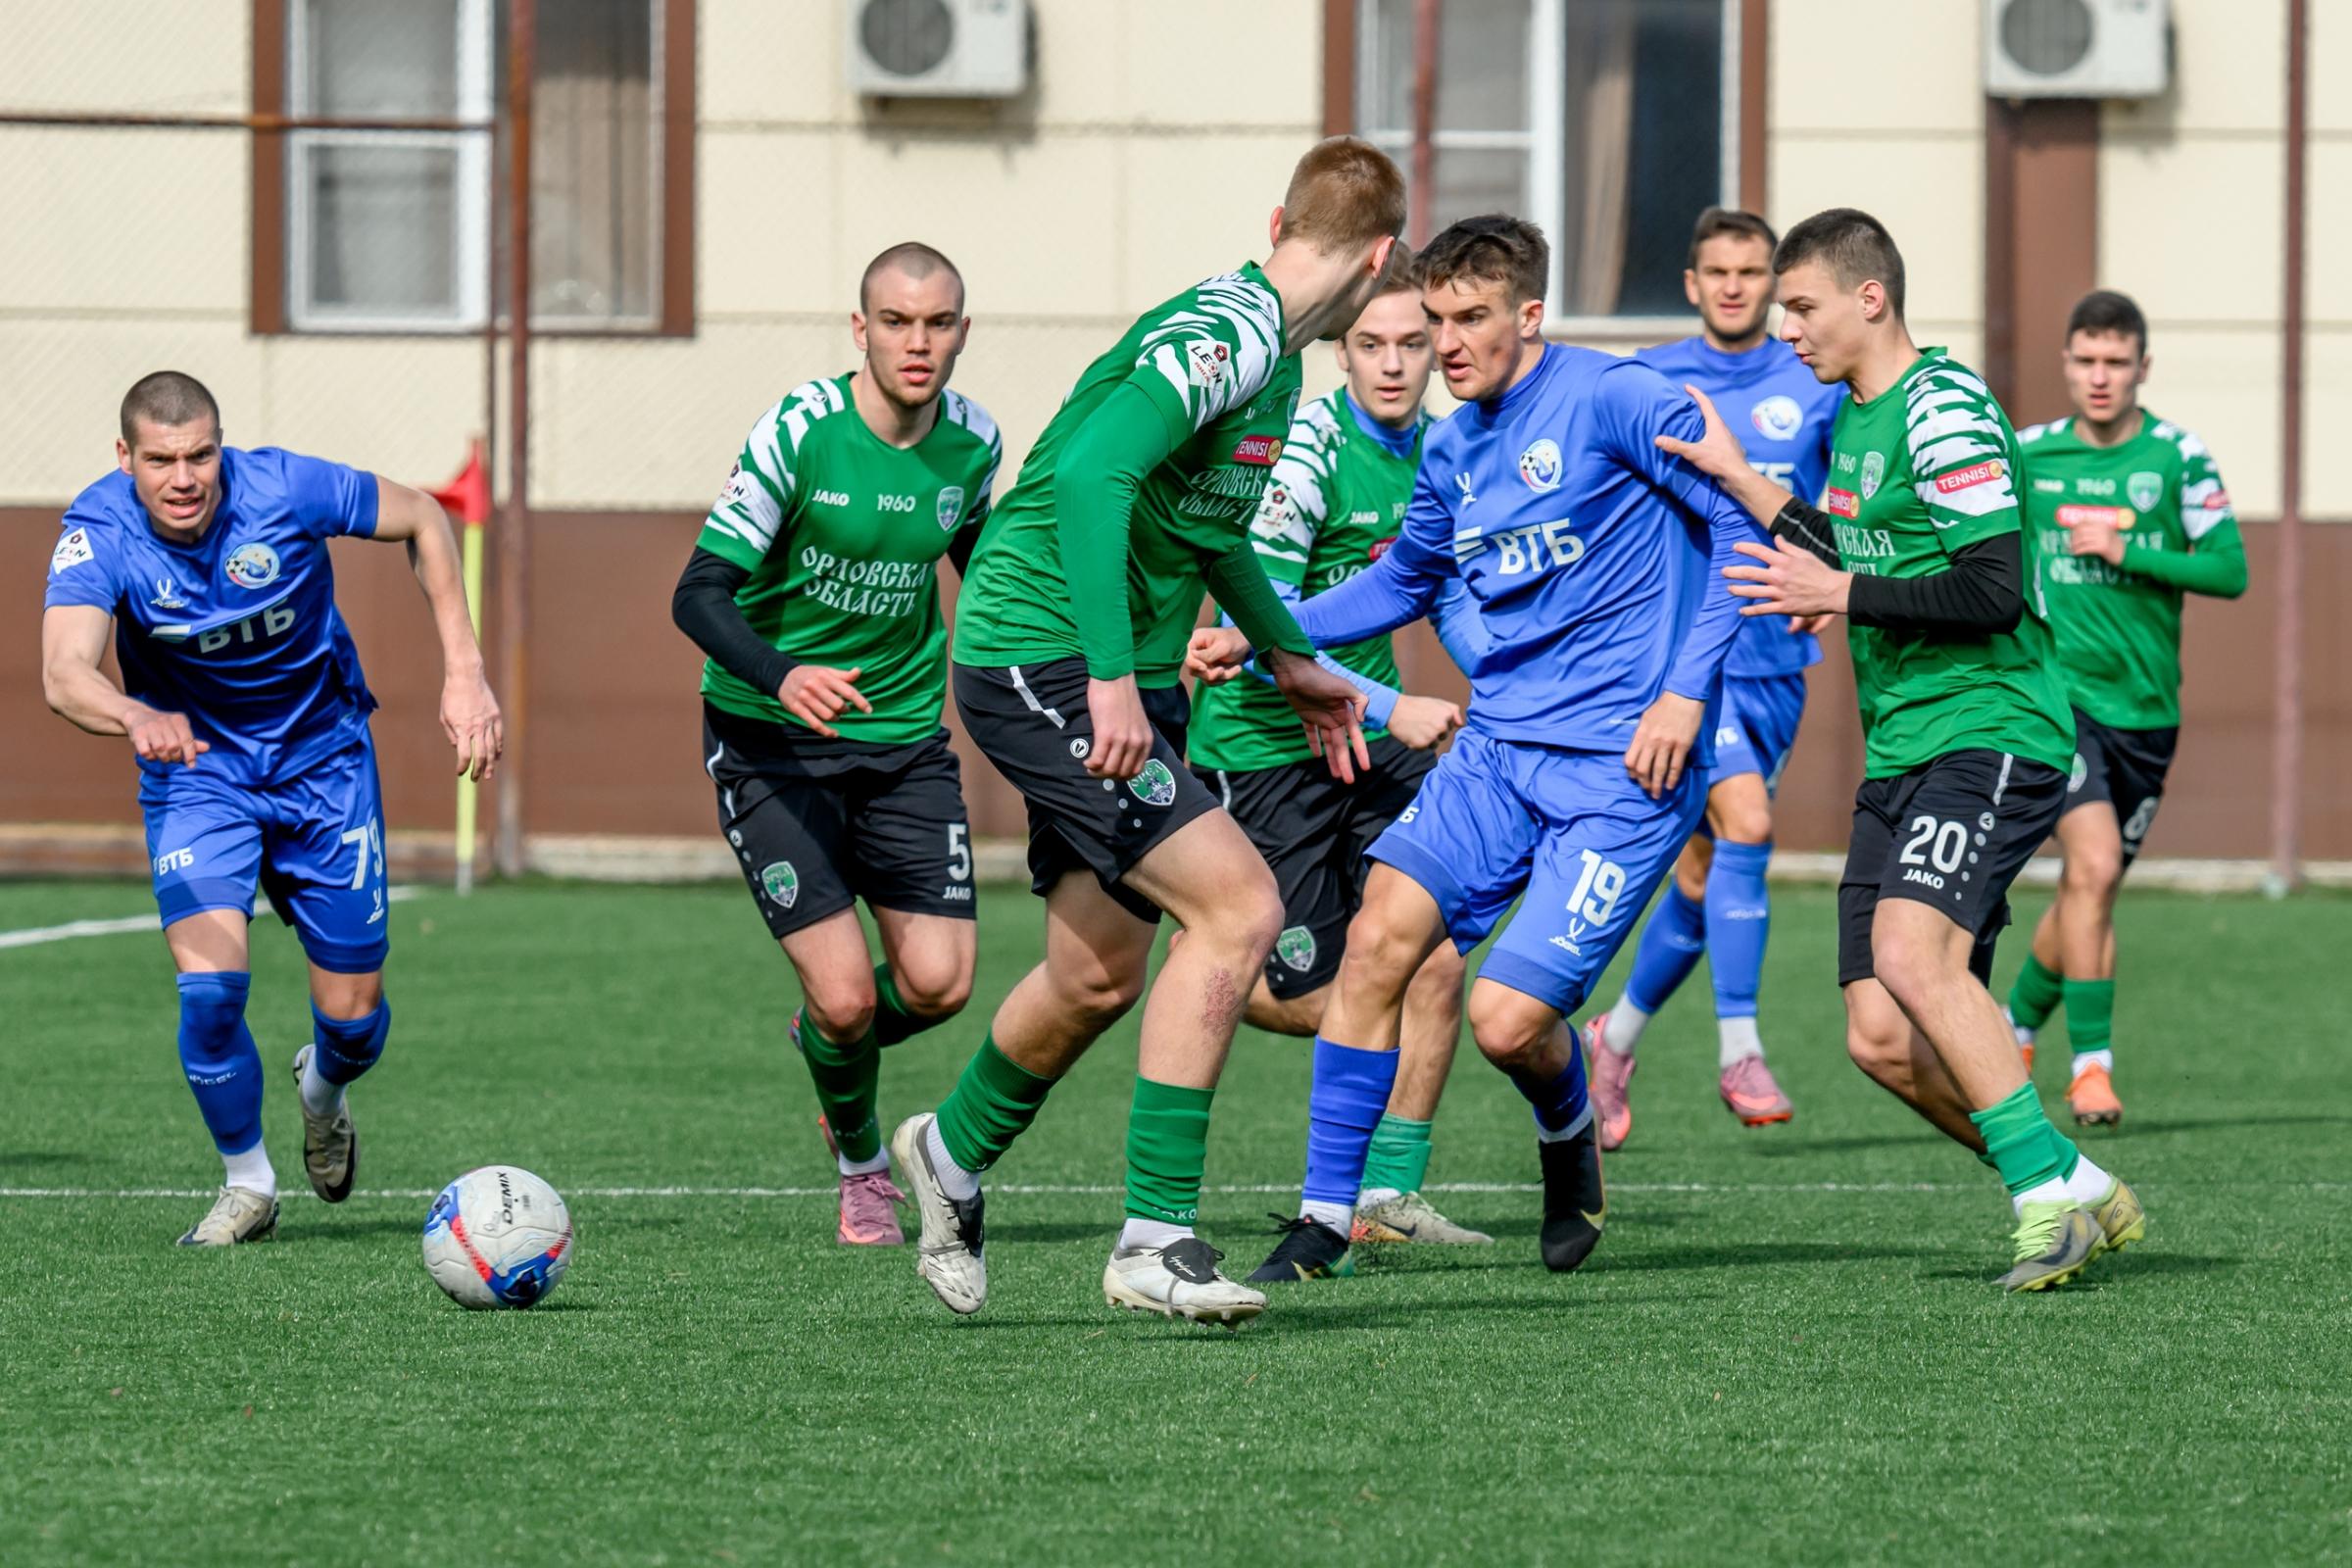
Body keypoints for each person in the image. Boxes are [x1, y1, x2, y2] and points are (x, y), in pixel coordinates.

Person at [1188, 214, 1760, 1286]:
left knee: (1505, 1022)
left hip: (1623, 772)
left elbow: (1746, 528)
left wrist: (1686, 695)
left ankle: (1567, 1121)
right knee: (1377, 944)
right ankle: (1325, 1220)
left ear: (1529, 314)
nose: (1445, 345)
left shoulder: (1619, 398)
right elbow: (1404, 581)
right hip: (1496, 754)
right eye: (1434, 320)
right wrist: (1271, 631)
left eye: (1469, 319)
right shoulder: (1451, 448)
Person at [886, 137, 1399, 1327]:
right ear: (1380, 260)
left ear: (1281, 224)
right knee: (1240, 908)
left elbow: (1209, 527)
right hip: (1046, 657)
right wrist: (1112, 680)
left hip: (1117, 669)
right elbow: (1089, 480)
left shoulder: (1275, 360)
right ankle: (1154, 1240)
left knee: (1097, 973)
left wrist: (1289, 656)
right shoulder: (1227, 335)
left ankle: (948, 1154)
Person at [1655, 208, 2144, 1291]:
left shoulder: (1943, 406)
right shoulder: (1856, 416)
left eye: (1802, 306)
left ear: (1870, 298)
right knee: (1877, 1035)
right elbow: (1860, 546)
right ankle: (2074, 1179)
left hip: (1991, 728)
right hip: (1904, 748)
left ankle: (2043, 1207)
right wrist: (1742, 478)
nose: (1786, 328)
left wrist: (1844, 593)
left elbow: (1992, 587)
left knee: (1914, 956)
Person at [40, 370, 501, 1247]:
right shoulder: (97, 532)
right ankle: (248, 1183)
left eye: (201, 456)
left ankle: (322, 1092)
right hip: (198, 776)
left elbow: (423, 519)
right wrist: (134, 714)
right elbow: (64, 672)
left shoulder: (285, 487)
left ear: (223, 448)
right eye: (161, 460)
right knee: (210, 995)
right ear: (125, 458)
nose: (184, 479)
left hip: (325, 765)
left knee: (355, 1025)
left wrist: (465, 672)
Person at [670, 243, 1002, 1247]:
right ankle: (862, 1166)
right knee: (851, 996)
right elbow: (697, 593)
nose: (917, 342)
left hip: (902, 743)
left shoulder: (974, 443)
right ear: (861, 330)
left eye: (937, 323)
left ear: (962, 332)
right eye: (896, 322)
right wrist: (782, 673)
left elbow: (989, 577)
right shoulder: (799, 433)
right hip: (770, 743)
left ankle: (826, 1035)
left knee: (940, 983)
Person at [1184, 247, 1489, 1254]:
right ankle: (1206, 964)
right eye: (1371, 344)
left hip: (1367, 739)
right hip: (1265, 743)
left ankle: (1388, 1195)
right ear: (1341, 352)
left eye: (1413, 343)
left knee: (1434, 962)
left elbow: (1458, 593)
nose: (1394, 363)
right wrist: (1395, 706)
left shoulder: (1445, 449)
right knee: (1327, 997)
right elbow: (1262, 624)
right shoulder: (1307, 453)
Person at [1587, 207, 1845, 1146]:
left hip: (1778, 664)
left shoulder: (1813, 379)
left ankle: (1612, 1040)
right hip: (1691, 659)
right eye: (1717, 272)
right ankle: (1741, 1047)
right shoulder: (1650, 377)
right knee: (1750, 827)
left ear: (1771, 284)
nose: (1735, 286)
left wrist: (1836, 577)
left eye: (1751, 272)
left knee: (1703, 876)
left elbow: (1836, 503)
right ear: (1692, 284)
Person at [2003, 289, 2248, 1125]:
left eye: (2116, 362)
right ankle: (2092, 1070)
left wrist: (2128, 551)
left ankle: (2014, 1024)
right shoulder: (2029, 455)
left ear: (2144, 367)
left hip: (2146, 712)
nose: (2100, 376)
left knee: (2090, 887)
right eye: (2086, 361)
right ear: (2066, 364)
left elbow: (2230, 571)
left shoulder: (2179, 458)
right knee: (2097, 867)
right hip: (2057, 702)